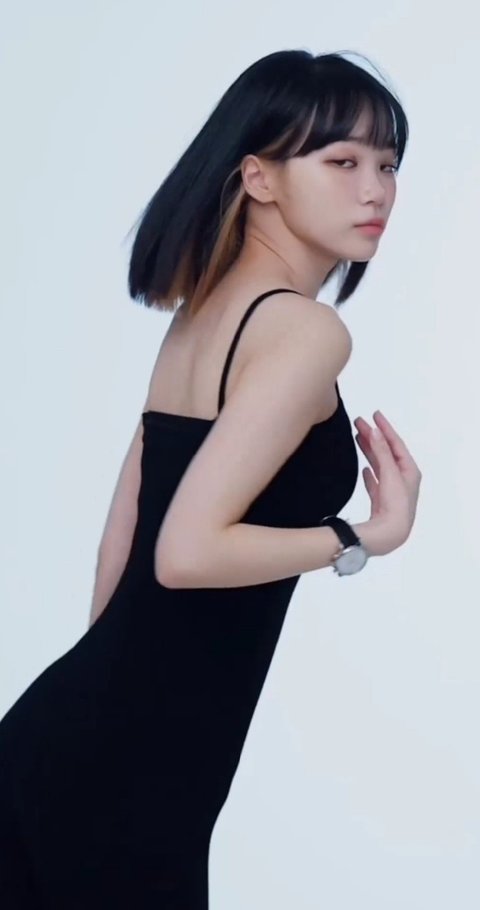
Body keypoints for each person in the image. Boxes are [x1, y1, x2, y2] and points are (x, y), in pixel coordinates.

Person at [0, 48, 422, 907]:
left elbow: (120, 552)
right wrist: (361, 537)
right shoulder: (306, 333)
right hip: (128, 781)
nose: (375, 190)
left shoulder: (202, 315)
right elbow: (184, 552)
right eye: (341, 162)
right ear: (259, 177)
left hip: (76, 742)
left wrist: (110, 711)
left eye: (387, 165)